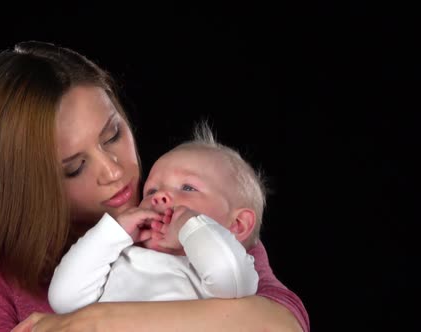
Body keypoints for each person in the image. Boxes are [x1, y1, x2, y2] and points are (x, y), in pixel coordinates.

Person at [0, 40, 310, 332]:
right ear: (25, 185)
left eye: (112, 135)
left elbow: (280, 322)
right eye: (75, 167)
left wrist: (96, 321)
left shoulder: (195, 214)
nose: (113, 171)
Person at [48, 123, 263, 314]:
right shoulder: (117, 258)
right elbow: (64, 300)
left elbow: (227, 274)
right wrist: (114, 232)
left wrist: (191, 225)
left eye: (188, 187)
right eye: (151, 191)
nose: (159, 196)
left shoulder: (217, 273)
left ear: (237, 224)